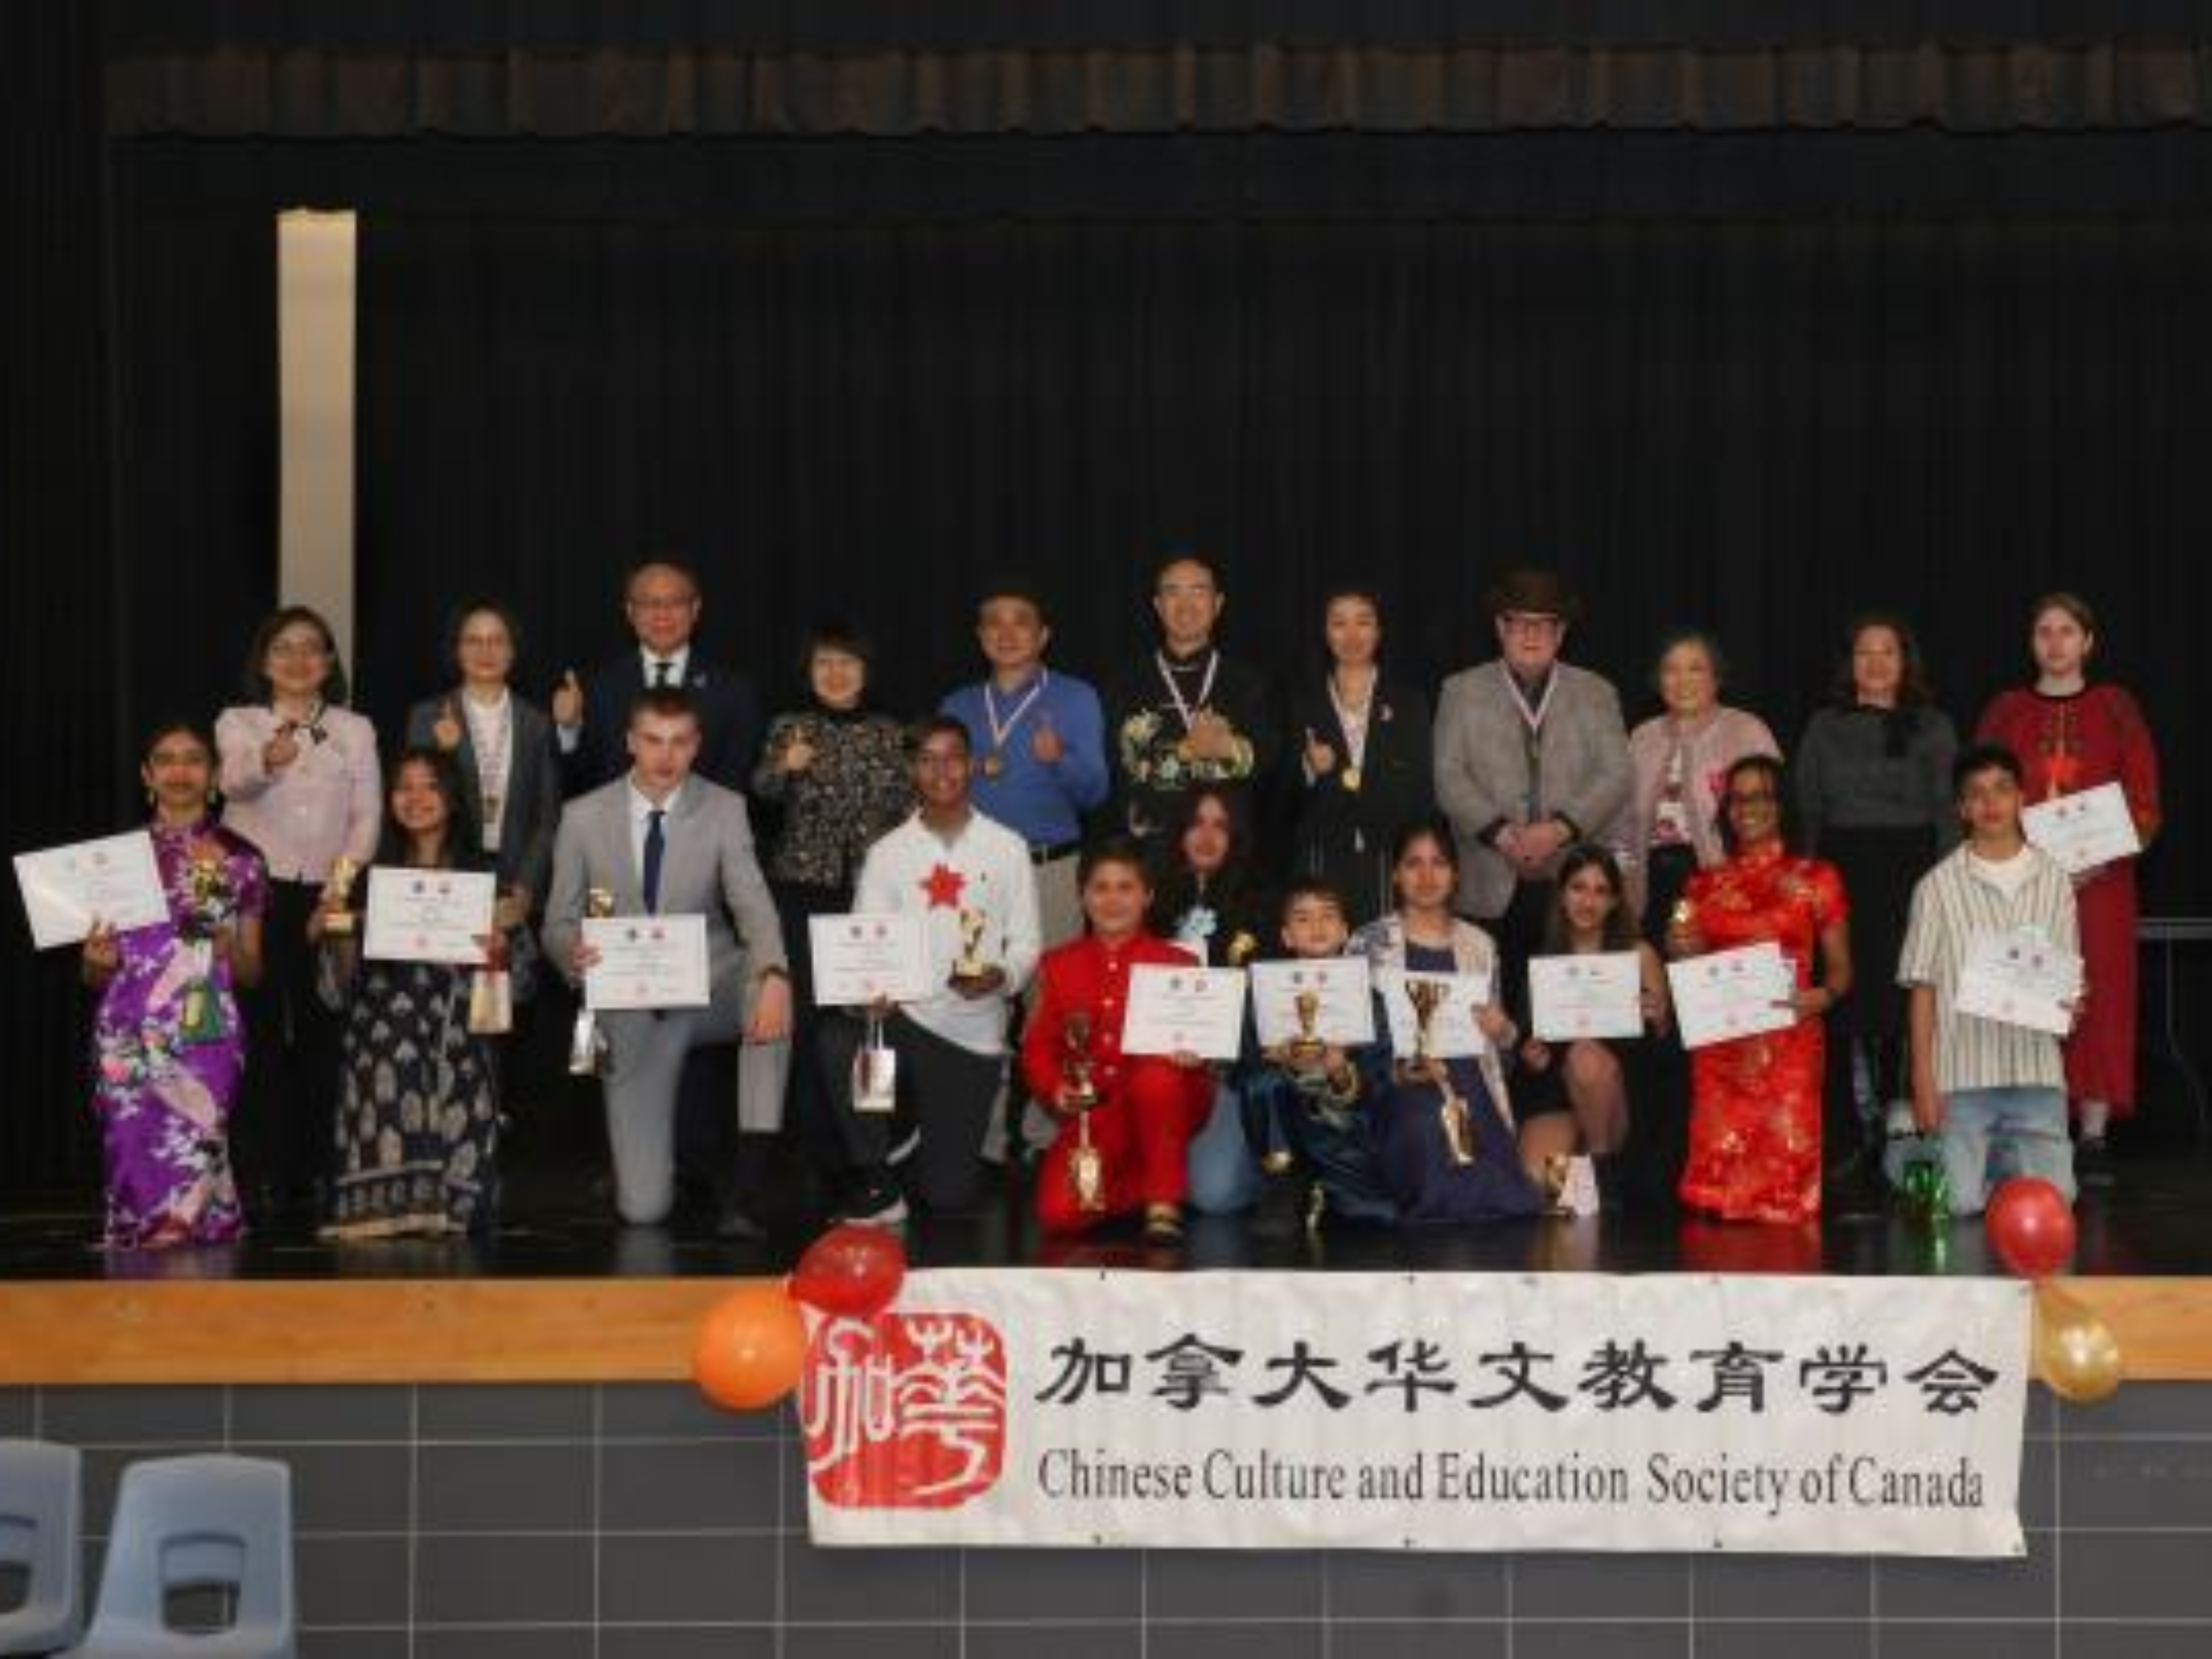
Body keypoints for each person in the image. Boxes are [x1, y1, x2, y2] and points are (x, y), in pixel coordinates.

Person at [542, 688, 792, 1229]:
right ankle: (643, 1174)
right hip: (628, 997)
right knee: (643, 1210)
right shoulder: (582, 816)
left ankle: (747, 1189)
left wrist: (774, 973)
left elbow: (753, 905)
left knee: (771, 992)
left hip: (711, 981)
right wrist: (572, 952)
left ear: (696, 745)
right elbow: (557, 921)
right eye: (653, 740)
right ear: (631, 742)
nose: (666, 756)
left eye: (679, 742)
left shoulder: (724, 808)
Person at [818, 717, 1040, 1223]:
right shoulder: (887, 854)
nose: (942, 770)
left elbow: (1027, 942)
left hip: (971, 1036)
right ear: (911, 770)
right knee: (841, 1039)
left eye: (953, 757)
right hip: (903, 1020)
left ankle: (914, 1131)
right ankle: (878, 1177)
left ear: (971, 764)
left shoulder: (1007, 846)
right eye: (927, 759)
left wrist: (1002, 976)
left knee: (947, 1196)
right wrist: (868, 992)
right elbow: (864, 940)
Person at [1977, 592, 2161, 1180]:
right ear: (2030, 643)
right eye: (2043, 632)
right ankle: (2033, 1124)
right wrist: (2018, 853)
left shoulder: (2115, 707)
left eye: (2066, 632)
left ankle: (2093, 1132)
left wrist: (2095, 858)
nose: (2054, 643)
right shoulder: (2006, 710)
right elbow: (1982, 789)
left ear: (2087, 642)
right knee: (2028, 989)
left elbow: (2143, 796)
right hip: (2023, 878)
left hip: (2101, 882)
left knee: (2099, 993)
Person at [215, 605, 381, 1214]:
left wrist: (338, 889)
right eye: (283, 648)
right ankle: (260, 1167)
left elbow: (367, 817)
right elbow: (232, 785)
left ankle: (318, 1168)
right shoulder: (239, 721)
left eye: (312, 647)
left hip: (326, 892)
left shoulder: (354, 728)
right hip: (254, 894)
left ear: (329, 662)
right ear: (265, 661)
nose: (298, 659)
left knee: (322, 1030)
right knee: (257, 1028)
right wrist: (268, 759)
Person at [313, 749, 516, 1240]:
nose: (416, 797)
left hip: (459, 1028)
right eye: (404, 787)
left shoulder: (487, 875)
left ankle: (455, 1204)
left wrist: (498, 953)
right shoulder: (363, 877)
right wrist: (337, 925)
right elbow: (338, 983)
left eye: (430, 786)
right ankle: (383, 1206)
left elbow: (512, 992)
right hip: (381, 1031)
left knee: (459, 1054)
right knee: (388, 1046)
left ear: (453, 798)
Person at [80, 722, 267, 1248]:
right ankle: (133, 1235)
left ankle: (191, 1229)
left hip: (205, 1025)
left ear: (213, 774)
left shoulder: (241, 857)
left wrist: (228, 948)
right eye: (165, 760)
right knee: (128, 1136)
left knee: (198, 1136)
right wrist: (96, 960)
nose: (179, 771)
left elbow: (253, 972)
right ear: (147, 775)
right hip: (125, 1024)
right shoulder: (114, 862)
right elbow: (93, 975)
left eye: (193, 759)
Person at [1794, 613, 1958, 1193]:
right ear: (1850, 663)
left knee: (1903, 995)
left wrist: (1945, 884)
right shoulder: (1822, 726)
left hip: (1912, 874)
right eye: (1864, 652)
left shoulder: (1934, 726)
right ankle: (1849, 1131)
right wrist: (1805, 883)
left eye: (1887, 651)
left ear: (1904, 661)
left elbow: (1947, 814)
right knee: (1845, 998)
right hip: (1841, 871)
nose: (1875, 663)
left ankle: (1901, 1120)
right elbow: (1808, 810)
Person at [752, 624, 913, 1173]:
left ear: (866, 672)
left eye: (848, 662)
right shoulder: (789, 727)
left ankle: (870, 1148)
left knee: (868, 1020)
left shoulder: (892, 733)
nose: (836, 673)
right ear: (809, 671)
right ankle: (815, 1149)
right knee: (809, 1022)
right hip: (803, 894)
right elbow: (761, 792)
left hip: (872, 899)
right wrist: (784, 767)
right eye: (824, 662)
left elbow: (911, 811)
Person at [1898, 744, 2082, 1215]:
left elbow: (2066, 976)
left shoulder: (2055, 880)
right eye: (1976, 794)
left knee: (2053, 1204)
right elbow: (1922, 987)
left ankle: (2002, 1165)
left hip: (2034, 1073)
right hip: (1963, 1077)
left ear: (2021, 798)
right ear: (1961, 809)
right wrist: (1923, 1079)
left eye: (2001, 788)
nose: (1990, 802)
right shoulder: (1935, 887)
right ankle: (1904, 1149)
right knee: (1959, 1205)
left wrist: (2071, 1002)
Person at [1667, 755, 1852, 1224]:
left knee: (1784, 1202)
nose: (1747, 807)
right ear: (1725, 809)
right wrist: (1680, 947)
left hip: (1789, 1043)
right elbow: (1688, 965)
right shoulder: (1701, 884)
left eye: (1761, 796)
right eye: (1737, 798)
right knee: (1716, 1206)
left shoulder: (1816, 878)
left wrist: (1823, 997)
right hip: (1720, 1051)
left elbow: (1841, 972)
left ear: (1782, 804)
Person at [1350, 818, 1544, 1223]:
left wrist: (1504, 1030)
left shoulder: (1480, 944)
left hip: (1471, 1082)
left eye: (1438, 863)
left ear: (1455, 874)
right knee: (1425, 1128)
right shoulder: (1368, 942)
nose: (1426, 876)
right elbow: (1356, 1042)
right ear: (1396, 875)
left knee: (1513, 1198)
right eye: (1413, 864)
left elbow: (1502, 1043)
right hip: (1402, 1084)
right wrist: (1396, 1071)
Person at [1023, 839, 1216, 1243]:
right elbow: (1038, 1047)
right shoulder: (1057, 965)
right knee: (1059, 1214)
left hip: (1169, 1099)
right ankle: (1141, 1176)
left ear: (1148, 896)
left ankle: (1164, 1201)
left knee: (1156, 1076)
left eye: (1126, 888)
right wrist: (1056, 1089)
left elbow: (1204, 1048)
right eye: (1100, 888)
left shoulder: (1180, 964)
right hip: (1098, 1111)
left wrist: (1196, 1056)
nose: (1112, 900)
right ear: (1082, 897)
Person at [1434, 568, 1630, 964]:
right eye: (1519, 622)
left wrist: (1558, 831)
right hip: (1487, 879)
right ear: (1499, 628)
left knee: (1570, 998)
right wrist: (1504, 835)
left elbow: (1615, 774)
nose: (1531, 634)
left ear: (1561, 633)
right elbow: (1447, 776)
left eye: (1544, 624)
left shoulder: (1597, 692)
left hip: (1573, 881)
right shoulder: (1460, 690)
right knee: (1491, 997)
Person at [940, 585, 1109, 947]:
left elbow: (1095, 795)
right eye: (994, 623)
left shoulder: (1076, 697)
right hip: (972, 874)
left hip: (1048, 873)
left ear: (1043, 635)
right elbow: (933, 793)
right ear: (980, 636)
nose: (1006, 634)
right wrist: (959, 773)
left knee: (1051, 983)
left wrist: (1059, 759)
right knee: (973, 976)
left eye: (1020, 622)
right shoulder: (957, 706)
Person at [1509, 844, 1669, 1184]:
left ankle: (1601, 1172)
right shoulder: (1542, 962)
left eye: (1601, 891)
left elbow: (1665, 1046)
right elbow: (1526, 1044)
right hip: (1557, 1094)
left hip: (1618, 1097)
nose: (1588, 902)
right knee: (1541, 1179)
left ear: (1614, 901)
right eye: (1578, 888)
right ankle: (1582, 1179)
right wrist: (1531, 1055)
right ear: (1561, 895)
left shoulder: (1639, 955)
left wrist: (1659, 1019)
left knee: (1585, 1057)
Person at [1240, 881, 1396, 1229]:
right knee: (1262, 1083)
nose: (1317, 926)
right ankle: (1283, 1182)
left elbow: (1381, 1079)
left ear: (1345, 931)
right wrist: (1280, 1061)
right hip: (1283, 1124)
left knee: (1376, 1216)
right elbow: (1243, 1072)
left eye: (1328, 916)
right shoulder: (1261, 996)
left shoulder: (1371, 1001)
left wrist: (1340, 1072)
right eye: (1302, 918)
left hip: (1340, 1129)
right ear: (1286, 936)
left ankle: (1323, 1190)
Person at [1147, 786, 1273, 1213]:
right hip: (1155, 1069)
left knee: (1212, 1194)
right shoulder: (1147, 898)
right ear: (1179, 831)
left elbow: (1265, 1010)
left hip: (1224, 1073)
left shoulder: (1261, 904)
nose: (1206, 836)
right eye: (1196, 823)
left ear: (1235, 836)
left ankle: (1271, 1170)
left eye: (1220, 825)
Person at [1104, 553, 1281, 848]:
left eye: (1198, 591)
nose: (1185, 604)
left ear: (1218, 604)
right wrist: (1184, 753)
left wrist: (1229, 748)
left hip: (1225, 851)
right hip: (1147, 849)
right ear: (1158, 606)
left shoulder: (1251, 684)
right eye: (1172, 592)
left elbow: (1272, 766)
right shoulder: (1124, 684)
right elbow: (1116, 772)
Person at [1615, 630, 1779, 939]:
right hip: (1650, 887)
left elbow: (1773, 816)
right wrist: (1623, 882)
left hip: (1729, 887)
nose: (1683, 681)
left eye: (1695, 669)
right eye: (1671, 670)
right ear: (1658, 680)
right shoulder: (1641, 737)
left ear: (1716, 678)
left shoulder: (1747, 730)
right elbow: (1621, 823)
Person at [1286, 587, 1435, 926]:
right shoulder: (1301, 704)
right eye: (1339, 623)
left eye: (1363, 622)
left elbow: (1423, 795)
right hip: (1320, 862)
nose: (1352, 635)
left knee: (1387, 957)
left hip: (1389, 863)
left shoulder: (1410, 703)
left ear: (1379, 631)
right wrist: (1308, 768)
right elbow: (1278, 799)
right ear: (1325, 632)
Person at [405, 600, 563, 920]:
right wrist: (445, 754)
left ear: (512, 652)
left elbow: (547, 818)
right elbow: (416, 806)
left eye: (497, 641)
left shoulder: (537, 723)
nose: (485, 651)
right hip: (446, 882)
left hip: (517, 884)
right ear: (457, 651)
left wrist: (526, 886)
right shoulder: (427, 717)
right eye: (473, 641)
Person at [553, 559, 762, 795]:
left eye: (675, 603)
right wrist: (568, 729)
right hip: (614, 818)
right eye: (650, 604)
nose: (663, 614)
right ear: (630, 612)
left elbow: (735, 782)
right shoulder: (597, 688)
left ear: (695, 610)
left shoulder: (733, 692)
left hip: (707, 817)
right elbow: (572, 782)